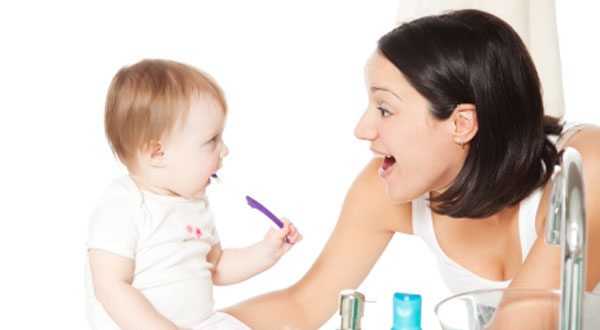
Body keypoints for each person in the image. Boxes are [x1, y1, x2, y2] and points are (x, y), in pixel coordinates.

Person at [223, 9, 600, 329]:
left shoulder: (585, 169)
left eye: (385, 109)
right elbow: (303, 306)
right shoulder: (383, 186)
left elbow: (522, 323)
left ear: (461, 124)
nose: (362, 130)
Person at [84, 59, 302, 330]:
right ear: (157, 153)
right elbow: (110, 287)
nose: (225, 150)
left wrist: (267, 251)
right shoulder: (123, 204)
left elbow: (216, 266)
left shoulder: (195, 204)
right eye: (212, 140)